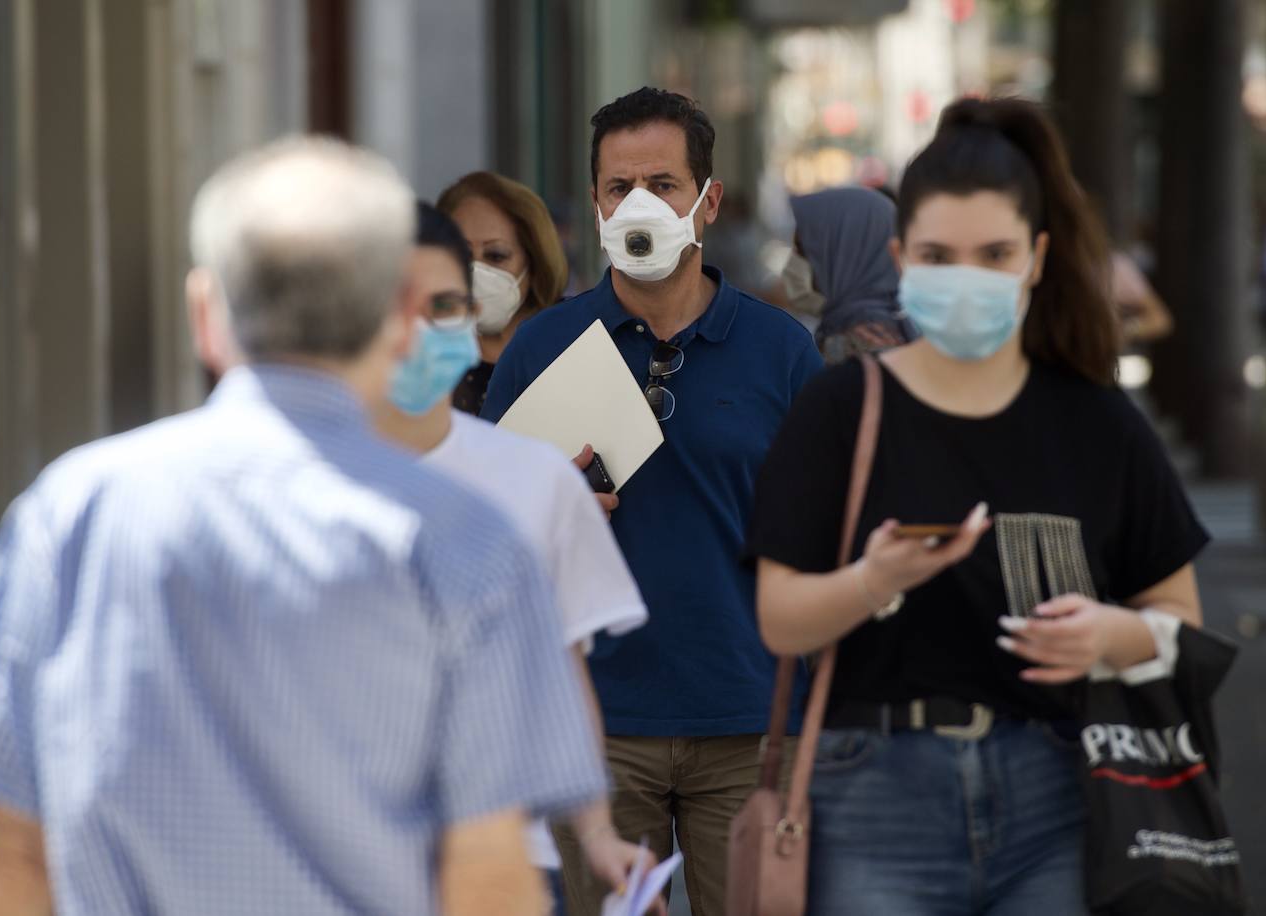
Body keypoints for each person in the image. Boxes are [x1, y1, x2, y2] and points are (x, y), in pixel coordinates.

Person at [0, 137, 607, 915]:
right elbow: (491, 875)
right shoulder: (469, 543)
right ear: (399, 318)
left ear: (204, 313)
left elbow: (16, 852)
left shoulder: (67, 514)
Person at [748, 97, 1211, 914]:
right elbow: (780, 618)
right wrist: (871, 580)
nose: (967, 278)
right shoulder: (840, 409)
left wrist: (1108, 635)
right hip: (872, 793)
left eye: (994, 253)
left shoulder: (1097, 421)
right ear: (900, 258)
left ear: (1036, 257)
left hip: (1061, 790)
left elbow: (1179, 619)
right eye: (938, 254)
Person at [482, 87, 824, 915]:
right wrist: (550, 516)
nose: (638, 204)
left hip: (748, 722)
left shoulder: (780, 350)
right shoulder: (543, 347)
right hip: (595, 726)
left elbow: (820, 536)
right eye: (617, 186)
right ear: (595, 201)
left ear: (706, 201)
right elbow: (486, 540)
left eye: (663, 185)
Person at [376, 202, 658, 915]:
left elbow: (564, 669)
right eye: (398, 305)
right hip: (343, 857)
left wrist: (596, 832)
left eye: (444, 306)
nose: (421, 329)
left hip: (507, 860)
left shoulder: (537, 477)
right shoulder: (289, 481)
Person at [437, 171, 570, 416]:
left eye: (496, 255)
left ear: (535, 263)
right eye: (461, 254)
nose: (476, 271)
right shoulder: (421, 359)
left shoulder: (573, 347)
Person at [779, 186, 913, 362]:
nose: (794, 263)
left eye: (803, 251)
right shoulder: (880, 328)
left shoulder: (858, 345)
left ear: (845, 255)